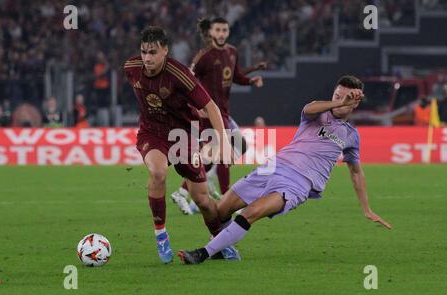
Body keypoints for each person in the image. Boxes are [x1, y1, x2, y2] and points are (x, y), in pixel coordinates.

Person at [177, 75, 392, 265]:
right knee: (221, 210)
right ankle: (223, 249)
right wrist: (338, 101)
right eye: (337, 94)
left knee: (250, 213)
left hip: (298, 183)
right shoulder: (318, 113)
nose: (340, 101)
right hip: (273, 166)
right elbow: (309, 108)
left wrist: (366, 208)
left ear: (355, 104)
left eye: (346, 99)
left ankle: (203, 253)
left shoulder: (351, 135)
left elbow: (356, 171)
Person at [124, 26, 239, 264]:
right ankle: (161, 234)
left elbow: (211, 107)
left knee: (204, 202)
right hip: (152, 134)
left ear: (165, 51)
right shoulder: (131, 68)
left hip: (183, 137)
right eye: (144, 51)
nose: (147, 57)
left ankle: (219, 241)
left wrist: (224, 143)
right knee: (158, 172)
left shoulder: (180, 74)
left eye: (153, 52)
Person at [171, 17, 266, 215]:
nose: (221, 33)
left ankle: (183, 191)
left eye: (225, 30)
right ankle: (225, 200)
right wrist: (194, 106)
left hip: (224, 112)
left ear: (228, 32)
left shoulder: (232, 52)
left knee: (234, 148)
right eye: (218, 30)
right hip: (209, 113)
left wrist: (251, 80)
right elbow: (186, 81)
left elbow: (235, 76)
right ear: (211, 32)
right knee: (223, 154)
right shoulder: (203, 56)